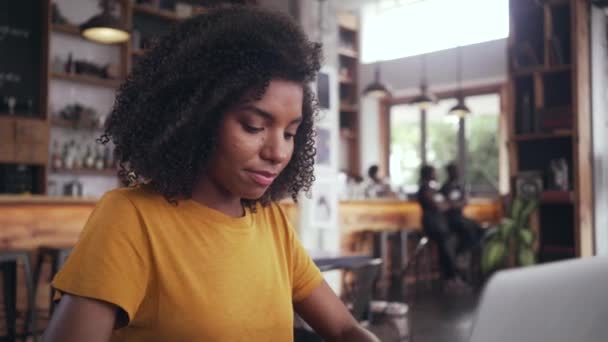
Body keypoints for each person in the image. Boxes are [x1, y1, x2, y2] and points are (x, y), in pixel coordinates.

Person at [43, 6, 378, 342]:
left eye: (290, 133)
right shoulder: (131, 219)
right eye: (254, 126)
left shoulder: (270, 222)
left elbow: (344, 329)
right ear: (196, 118)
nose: (277, 153)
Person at [417, 165, 465, 288]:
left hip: (439, 224)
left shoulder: (433, 189)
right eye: (434, 173)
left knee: (449, 241)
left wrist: (446, 204)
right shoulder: (425, 189)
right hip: (431, 224)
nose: (436, 175)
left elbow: (443, 204)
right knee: (446, 242)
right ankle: (451, 277)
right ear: (428, 174)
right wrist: (447, 204)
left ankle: (451, 276)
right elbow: (440, 206)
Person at [440, 163, 482, 254]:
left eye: (457, 171)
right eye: (454, 171)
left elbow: (464, 202)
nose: (457, 173)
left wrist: (457, 203)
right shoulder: (445, 187)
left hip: (460, 216)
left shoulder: (459, 186)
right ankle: (461, 253)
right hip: (450, 218)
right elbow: (449, 204)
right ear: (449, 172)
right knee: (467, 228)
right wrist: (456, 204)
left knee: (478, 227)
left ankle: (475, 254)